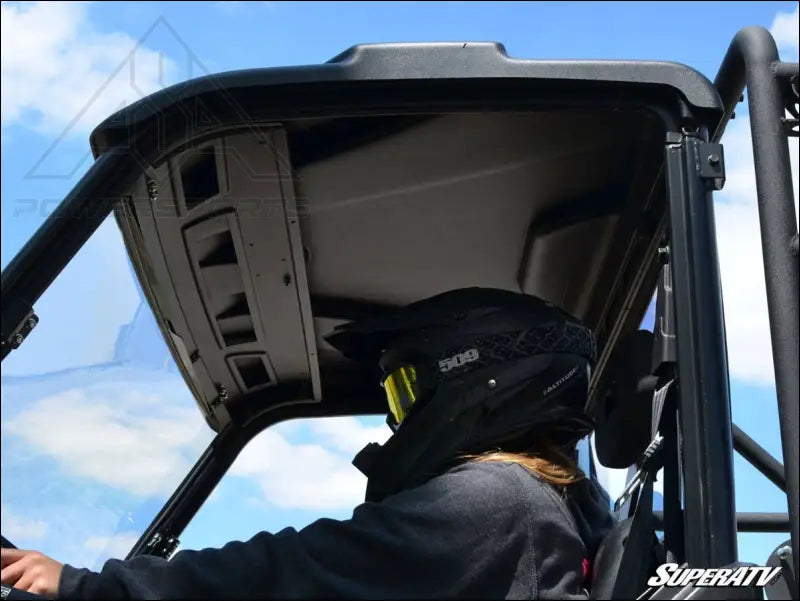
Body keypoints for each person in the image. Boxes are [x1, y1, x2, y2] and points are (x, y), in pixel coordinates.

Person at [1, 287, 614, 599]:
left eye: (403, 391)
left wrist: (86, 586)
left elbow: (294, 569)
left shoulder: (496, 501)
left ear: (477, 377)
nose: (396, 422)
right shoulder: (540, 508)